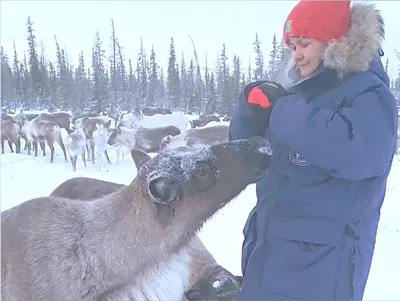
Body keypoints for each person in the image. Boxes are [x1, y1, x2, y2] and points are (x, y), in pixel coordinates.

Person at [229, 1, 398, 300]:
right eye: (292, 46)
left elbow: (357, 155)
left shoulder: (370, 94)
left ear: (334, 40)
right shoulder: (302, 94)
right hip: (268, 256)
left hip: (320, 270)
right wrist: (248, 114)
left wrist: (284, 111)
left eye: (304, 44)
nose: (296, 55)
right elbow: (247, 159)